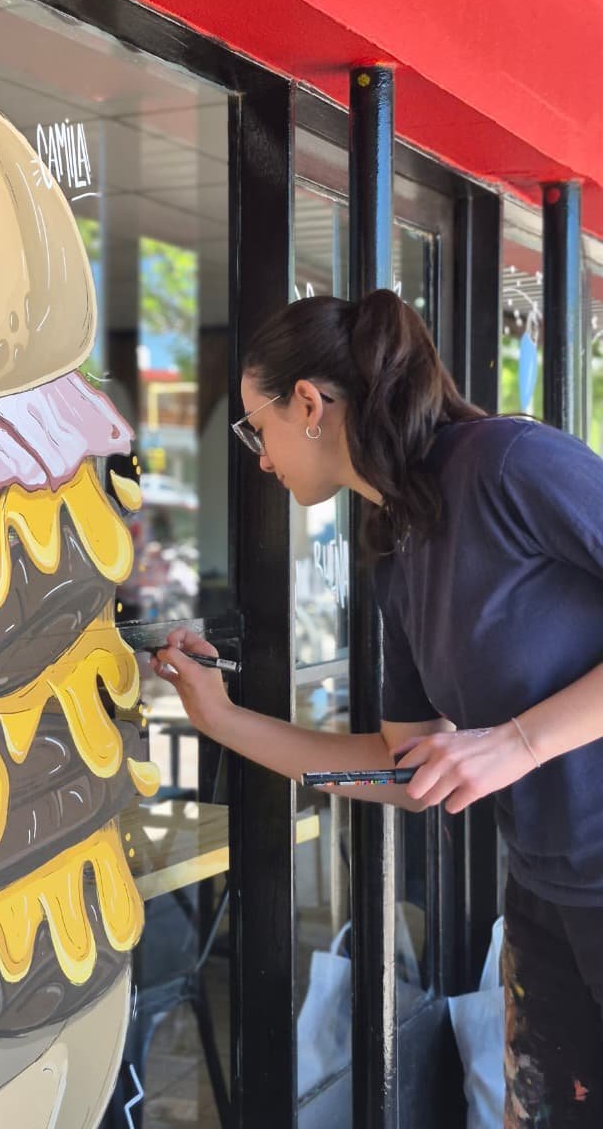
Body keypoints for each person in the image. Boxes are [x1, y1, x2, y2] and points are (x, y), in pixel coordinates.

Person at [150, 289, 603, 1128]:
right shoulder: (398, 544)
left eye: (255, 427)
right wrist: (222, 721)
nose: (259, 458)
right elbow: (404, 771)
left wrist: (518, 743)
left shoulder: (509, 463)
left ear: (309, 404)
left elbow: (504, 748)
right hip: (544, 895)